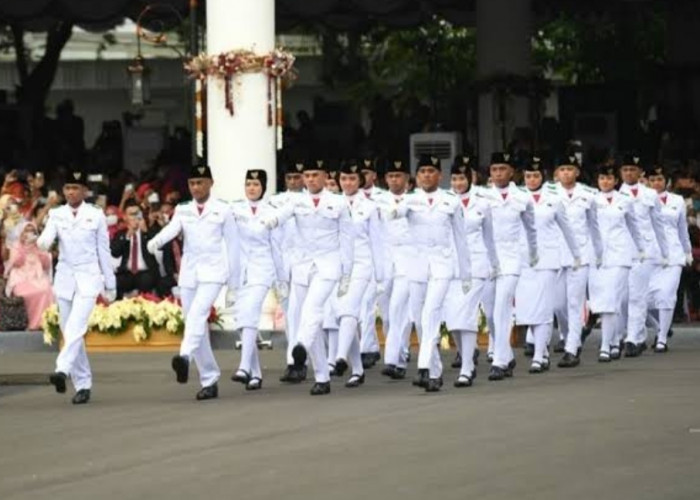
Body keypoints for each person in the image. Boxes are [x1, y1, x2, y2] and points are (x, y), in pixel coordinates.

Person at [147, 164, 239, 401]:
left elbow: (233, 247)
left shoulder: (223, 209)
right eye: (192, 183)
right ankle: (209, 380)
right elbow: (172, 229)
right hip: (189, 272)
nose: (196, 187)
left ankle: (184, 357)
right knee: (195, 324)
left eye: (200, 182)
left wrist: (234, 284)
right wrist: (155, 241)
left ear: (210, 183)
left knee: (198, 315)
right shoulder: (183, 209)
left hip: (213, 272)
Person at [264, 160, 354, 396]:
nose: (311, 179)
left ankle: (300, 345)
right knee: (307, 316)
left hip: (328, 264)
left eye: (316, 175)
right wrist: (270, 221)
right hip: (303, 266)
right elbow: (280, 216)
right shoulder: (296, 201)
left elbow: (347, 240)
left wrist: (347, 272)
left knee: (311, 310)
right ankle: (322, 377)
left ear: (325, 176)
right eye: (307, 175)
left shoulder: (338, 202)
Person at [389, 155, 471, 392]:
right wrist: (394, 210)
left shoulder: (451, 201)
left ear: (440, 175)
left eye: (431, 170)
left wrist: (466, 274)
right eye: (422, 171)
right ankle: (434, 374)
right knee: (419, 320)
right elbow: (395, 212)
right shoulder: (410, 200)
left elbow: (461, 240)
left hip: (442, 265)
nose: (426, 174)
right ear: (417, 176)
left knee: (431, 312)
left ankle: (424, 366)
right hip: (417, 267)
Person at [37, 169, 116, 405]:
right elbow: (46, 240)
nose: (72, 192)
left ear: (84, 191)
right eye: (68, 188)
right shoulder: (57, 214)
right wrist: (41, 241)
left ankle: (61, 369)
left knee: (76, 325)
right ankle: (83, 384)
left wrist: (110, 284)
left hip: (89, 276)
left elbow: (104, 251)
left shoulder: (95, 215)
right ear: (63, 191)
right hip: (66, 276)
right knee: (69, 329)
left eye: (76, 188)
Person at [514, 154, 580, 374]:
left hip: (549, 259)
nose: (532, 179)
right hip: (523, 260)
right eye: (528, 175)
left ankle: (540, 353)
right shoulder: (516, 197)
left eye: (536, 175)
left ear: (542, 176)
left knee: (544, 307)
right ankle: (540, 351)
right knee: (528, 309)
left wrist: (576, 255)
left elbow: (567, 229)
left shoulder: (554, 197)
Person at [443, 154, 499, 387]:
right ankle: (468, 355)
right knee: (453, 320)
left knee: (465, 316)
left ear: (470, 179)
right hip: (451, 267)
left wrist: (495, 263)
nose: (458, 183)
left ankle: (467, 368)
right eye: (454, 179)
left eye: (462, 179)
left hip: (476, 266)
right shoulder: (444, 202)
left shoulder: (482, 202)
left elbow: (489, 237)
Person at [331, 160, 386, 388]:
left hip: (363, 265)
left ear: (360, 181)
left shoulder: (370, 207)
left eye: (352, 178)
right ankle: (357, 369)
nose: (348, 183)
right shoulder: (332, 204)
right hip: (339, 266)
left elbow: (377, 242)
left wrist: (381, 276)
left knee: (350, 309)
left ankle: (340, 357)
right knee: (342, 314)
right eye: (344, 179)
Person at [229, 169, 285, 391]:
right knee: (241, 320)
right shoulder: (235, 209)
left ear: (264, 187)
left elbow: (277, 247)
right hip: (241, 270)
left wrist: (281, 279)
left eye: (256, 184)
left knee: (250, 311)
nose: (251, 188)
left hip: (263, 269)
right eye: (248, 184)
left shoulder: (272, 212)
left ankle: (243, 367)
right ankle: (256, 374)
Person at [486, 152, 538, 380]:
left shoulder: (522, 197)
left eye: (502, 169)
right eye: (494, 169)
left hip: (511, 258)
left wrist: (533, 254)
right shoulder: (483, 197)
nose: (498, 174)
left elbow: (531, 229)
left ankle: (498, 361)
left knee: (502, 307)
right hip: (488, 259)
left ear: (511, 172)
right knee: (490, 313)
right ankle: (506, 356)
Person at [551, 150, 603, 367]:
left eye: (570, 169)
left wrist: (599, 253)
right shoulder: (549, 193)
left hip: (580, 255)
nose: (566, 173)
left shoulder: (589, 195)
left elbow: (594, 226)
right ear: (556, 173)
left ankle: (572, 348)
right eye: (562, 169)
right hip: (554, 254)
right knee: (557, 304)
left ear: (577, 171)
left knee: (574, 302)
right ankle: (568, 335)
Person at [589, 164, 644, 361]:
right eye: (602, 178)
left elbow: (634, 227)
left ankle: (605, 345)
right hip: (597, 257)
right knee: (604, 301)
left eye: (609, 178)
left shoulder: (625, 200)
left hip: (620, 255)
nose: (605, 182)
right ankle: (613, 341)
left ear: (615, 181)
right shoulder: (591, 200)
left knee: (612, 298)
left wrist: (640, 249)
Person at [617, 153, 669, 356]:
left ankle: (633, 339)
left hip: (645, 251)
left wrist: (665, 251)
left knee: (637, 296)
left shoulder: (650, 195)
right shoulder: (615, 194)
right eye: (625, 169)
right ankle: (628, 335)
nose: (629, 173)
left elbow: (658, 225)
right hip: (621, 250)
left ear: (640, 173)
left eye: (632, 170)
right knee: (622, 298)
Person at [377, 159, 419, 379]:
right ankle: (397, 354)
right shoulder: (378, 201)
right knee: (387, 315)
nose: (395, 180)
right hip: (385, 262)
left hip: (407, 260)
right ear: (386, 179)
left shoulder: (415, 201)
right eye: (391, 176)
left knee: (399, 310)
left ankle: (395, 359)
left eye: (399, 176)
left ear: (407, 180)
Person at [645, 164, 692, 352]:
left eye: (660, 179)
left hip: (673, 254)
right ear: (647, 182)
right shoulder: (641, 199)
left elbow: (682, 228)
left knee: (666, 296)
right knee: (640, 300)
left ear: (666, 181)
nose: (656, 183)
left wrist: (688, 251)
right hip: (649, 254)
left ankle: (662, 339)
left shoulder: (677, 200)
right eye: (653, 180)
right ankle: (659, 327)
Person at [269, 160, 305, 383]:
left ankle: (299, 362)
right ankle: (294, 362)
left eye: (297, 177)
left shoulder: (308, 201)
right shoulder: (275, 201)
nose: (293, 182)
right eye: (290, 178)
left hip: (303, 262)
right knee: (289, 314)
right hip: (282, 262)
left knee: (301, 314)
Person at [3, 222, 54, 330]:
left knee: (46, 290)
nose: (29, 233)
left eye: (32, 231)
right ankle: (29, 324)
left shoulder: (39, 245)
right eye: (27, 230)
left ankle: (43, 323)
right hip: (20, 277)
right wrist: (24, 246)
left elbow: (46, 264)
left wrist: (38, 248)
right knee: (25, 293)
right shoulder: (16, 245)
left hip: (37, 277)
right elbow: (17, 262)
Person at [110, 200, 159, 299]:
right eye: (132, 214)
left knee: (146, 281)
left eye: (137, 214)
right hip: (126, 272)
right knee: (118, 282)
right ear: (125, 217)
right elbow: (114, 252)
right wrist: (128, 235)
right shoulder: (121, 234)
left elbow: (158, 248)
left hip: (146, 271)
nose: (135, 217)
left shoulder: (150, 231)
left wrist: (146, 232)